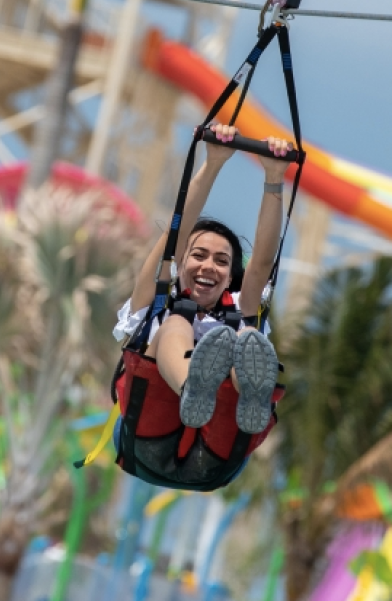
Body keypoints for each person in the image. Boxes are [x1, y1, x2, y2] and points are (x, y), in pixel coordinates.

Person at [109, 123, 293, 490]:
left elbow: (260, 264)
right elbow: (170, 238)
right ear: (182, 263)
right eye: (199, 255)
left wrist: (274, 178)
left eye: (222, 262)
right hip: (148, 437)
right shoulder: (156, 302)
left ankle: (251, 395)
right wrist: (212, 163)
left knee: (247, 337)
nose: (210, 266)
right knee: (175, 324)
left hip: (216, 452)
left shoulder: (241, 307)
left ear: (229, 278)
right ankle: (194, 383)